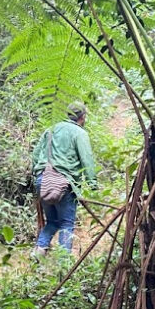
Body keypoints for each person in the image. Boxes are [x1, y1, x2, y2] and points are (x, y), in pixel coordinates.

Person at [32, 102, 97, 253]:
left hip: (43, 180)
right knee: (67, 223)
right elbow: (86, 158)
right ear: (83, 117)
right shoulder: (79, 133)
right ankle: (64, 263)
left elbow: (35, 155)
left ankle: (38, 253)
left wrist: (37, 177)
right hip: (63, 184)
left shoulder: (50, 130)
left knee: (52, 222)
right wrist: (92, 183)